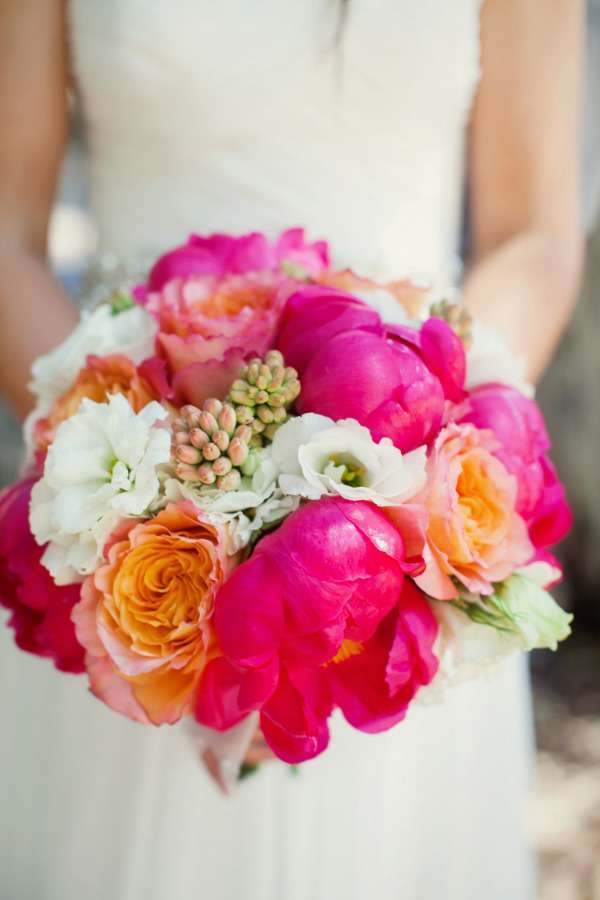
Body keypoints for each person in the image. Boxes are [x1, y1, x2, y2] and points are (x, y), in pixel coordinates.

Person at [0, 2, 584, 899]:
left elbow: (532, 233)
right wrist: (120, 476)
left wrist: (413, 486)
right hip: (128, 508)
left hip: (407, 541)